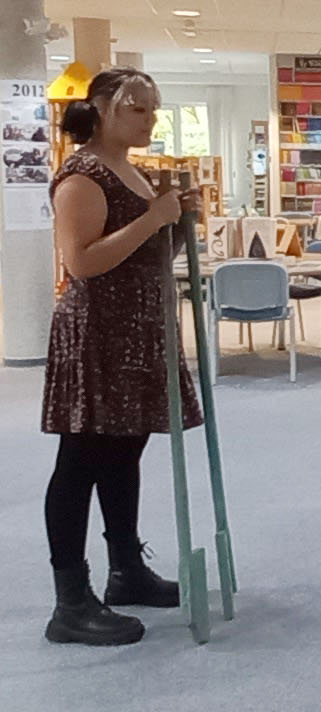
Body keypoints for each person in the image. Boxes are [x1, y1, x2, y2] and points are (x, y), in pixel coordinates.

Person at [41, 67, 202, 646]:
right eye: (139, 109)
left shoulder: (130, 171)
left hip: (137, 333)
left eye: (153, 110)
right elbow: (82, 262)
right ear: (104, 109)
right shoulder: (82, 175)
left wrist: (176, 224)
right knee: (81, 461)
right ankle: (70, 602)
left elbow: (145, 253)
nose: (150, 120)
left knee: (123, 454)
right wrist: (154, 217)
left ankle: (126, 570)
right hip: (97, 335)